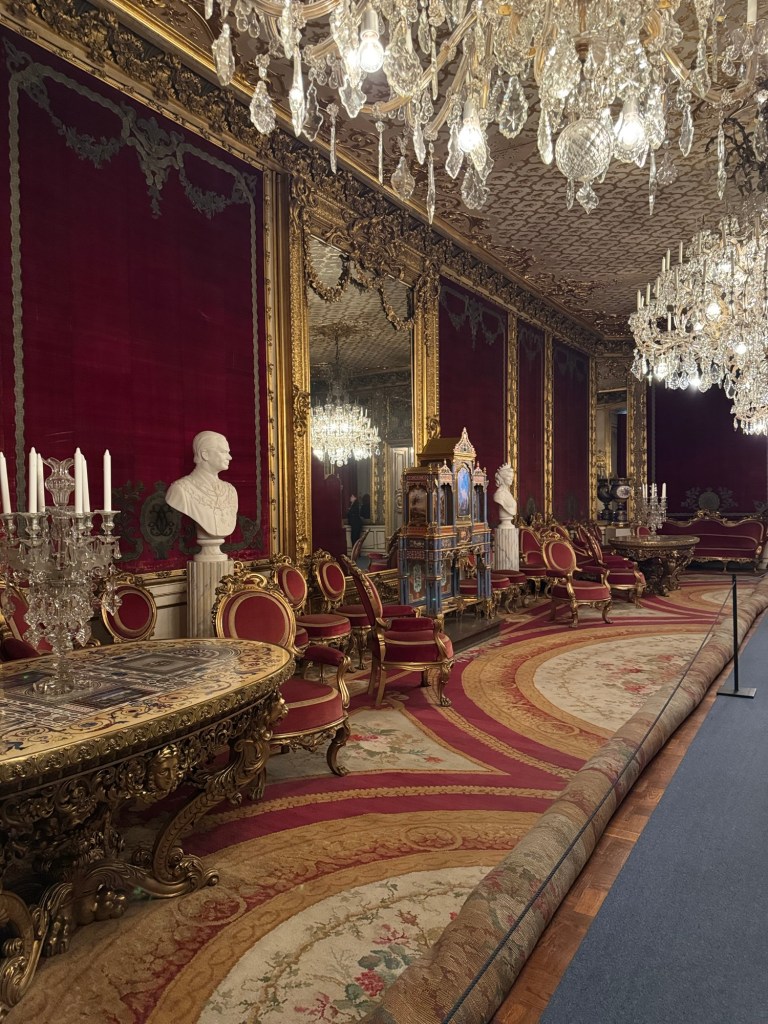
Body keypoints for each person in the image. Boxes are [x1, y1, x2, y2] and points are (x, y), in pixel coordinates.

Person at [166, 430, 238, 543]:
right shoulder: (180, 489)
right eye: (223, 452)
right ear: (205, 454)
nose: (230, 457)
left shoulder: (230, 491)